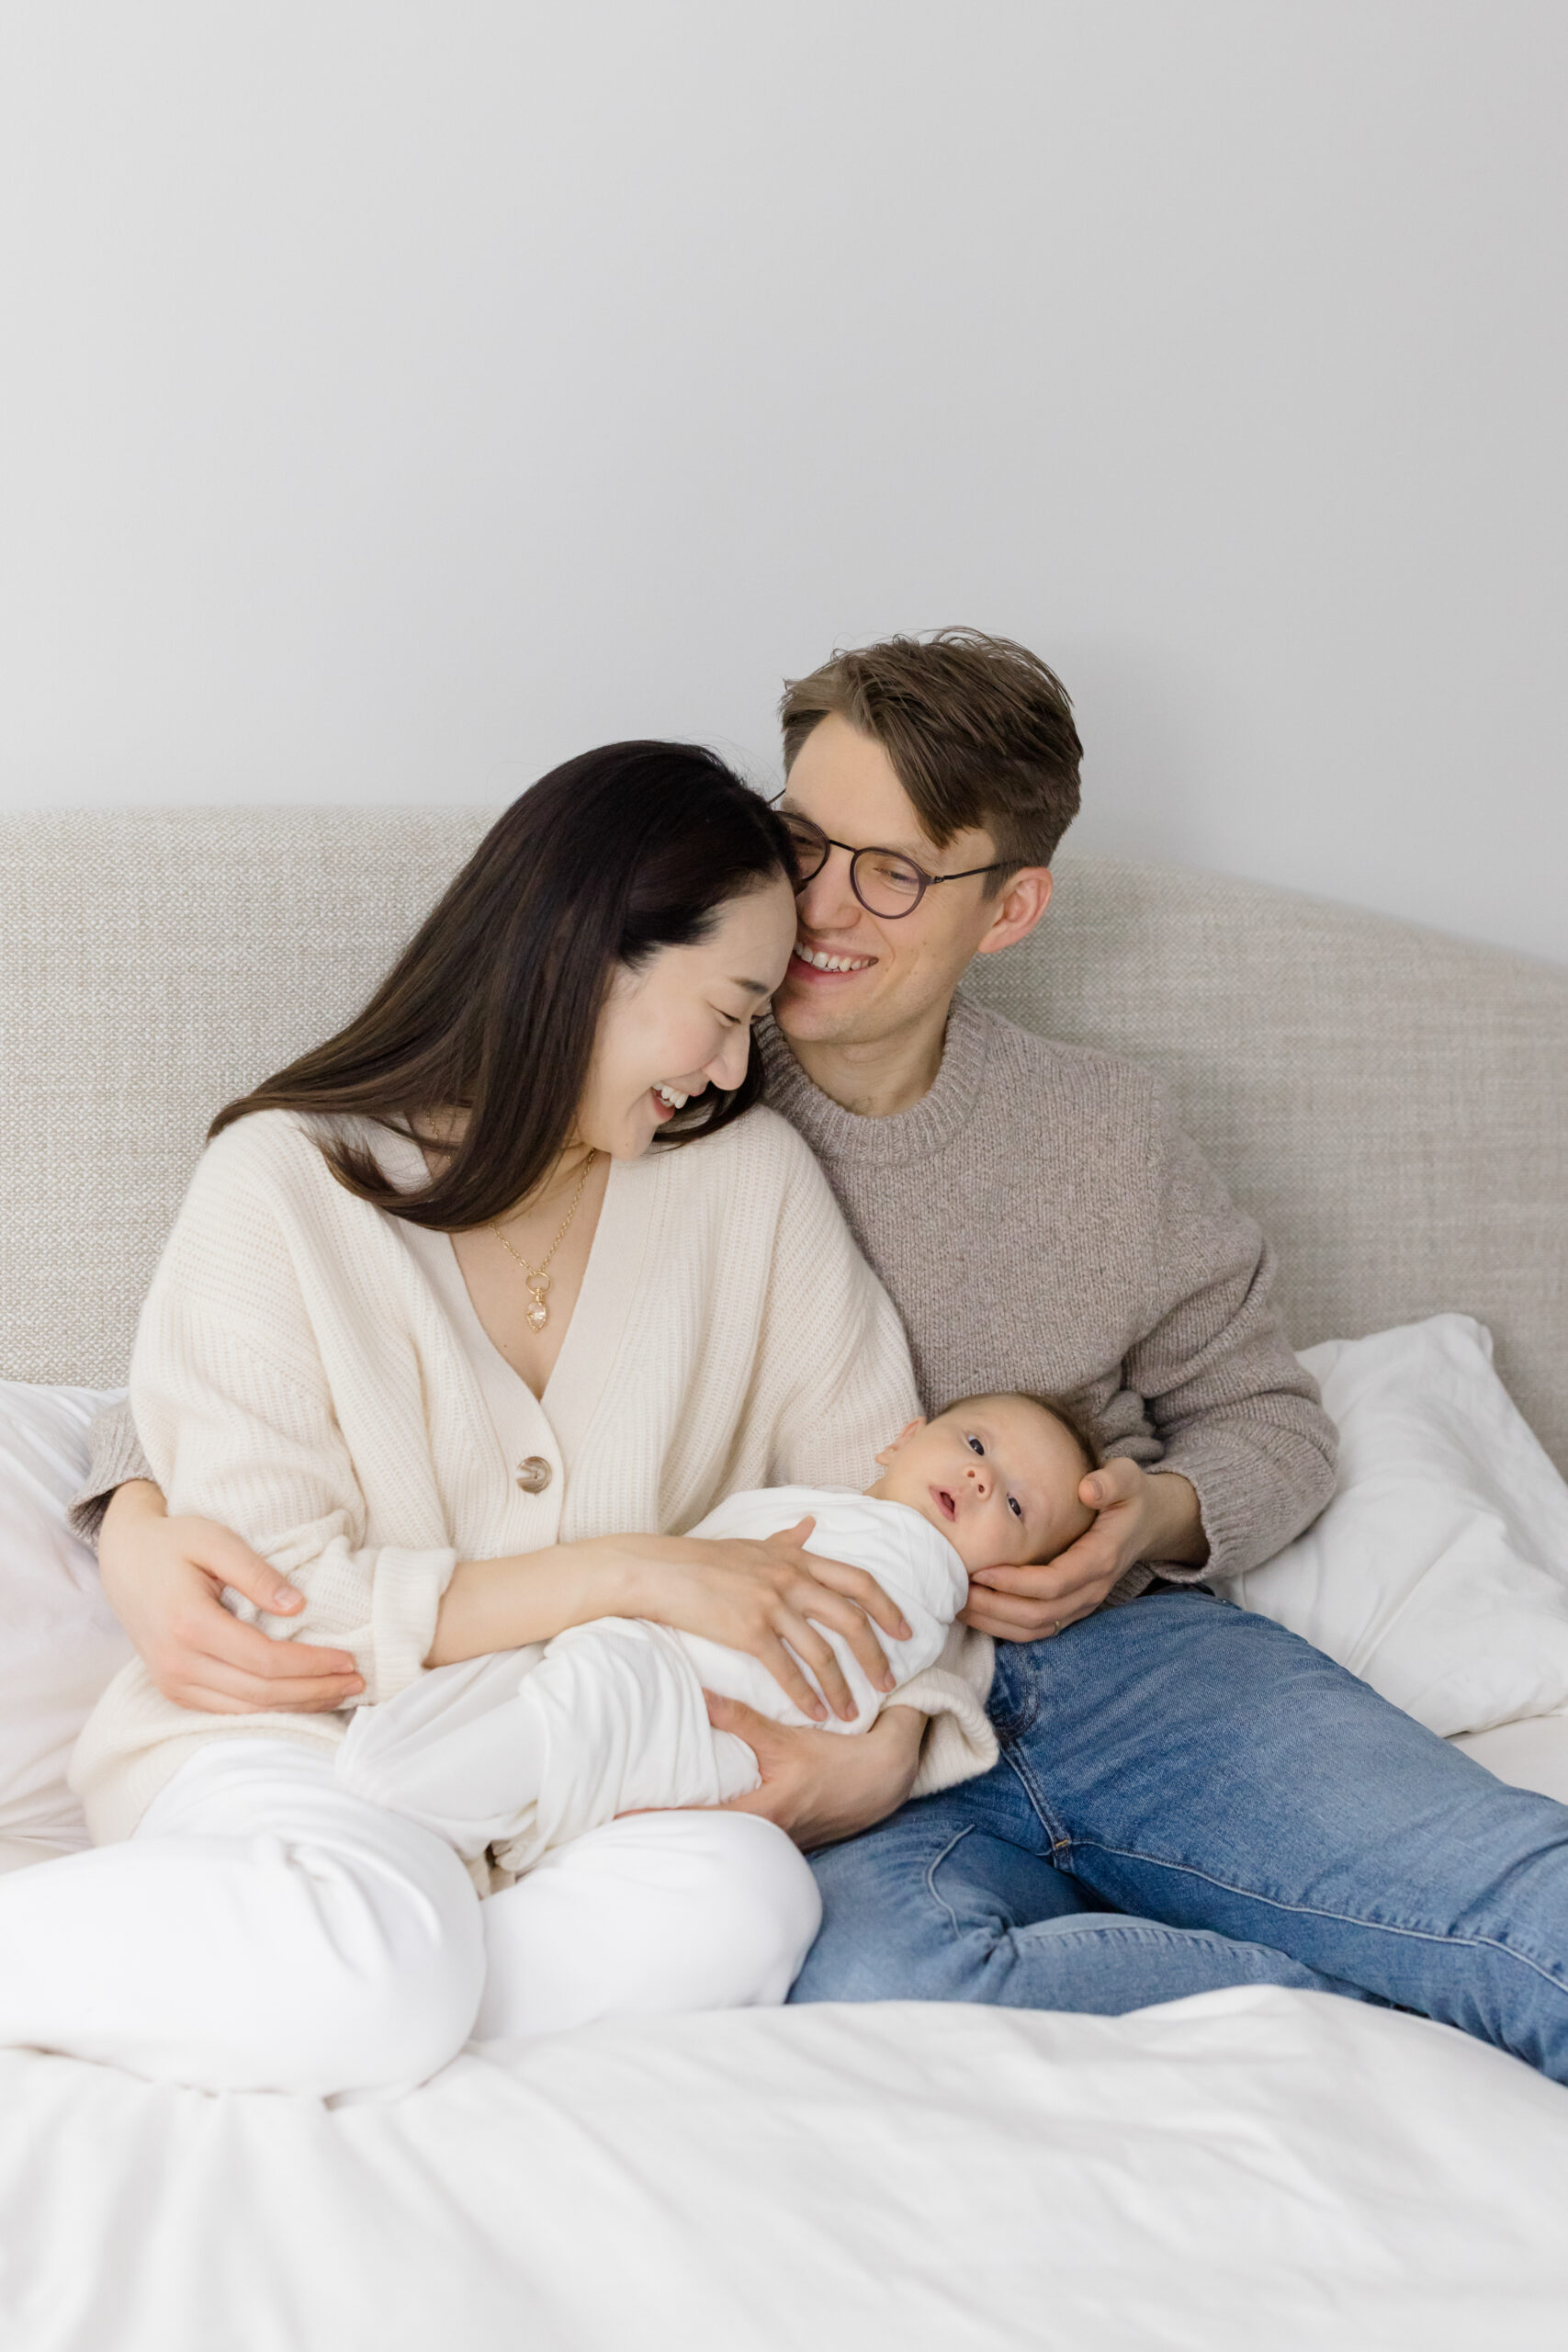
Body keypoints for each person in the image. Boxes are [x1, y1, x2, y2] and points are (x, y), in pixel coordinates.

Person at [75, 633, 1568, 2082]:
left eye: (896, 870)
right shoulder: (663, 1085)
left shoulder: (1057, 1138)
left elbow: (1261, 1419)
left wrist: (1137, 1528)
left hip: (1045, 1665)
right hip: (725, 1694)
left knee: (1494, 1905)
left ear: (1009, 907)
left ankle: (1401, 2012)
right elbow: (249, 1413)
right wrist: (127, 1504)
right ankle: (1336, 2032)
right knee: (861, 1986)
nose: (826, 908)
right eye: (801, 844)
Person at [1, 740, 995, 2096]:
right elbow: (277, 1600)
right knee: (376, 1967)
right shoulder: (282, 1183)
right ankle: (361, 1970)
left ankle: (359, 1985)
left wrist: (882, 1743)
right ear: (587, 958)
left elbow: (877, 1516)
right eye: (722, 1007)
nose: (721, 1069)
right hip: (303, 1747)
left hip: (576, 1779)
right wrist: (633, 1572)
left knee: (744, 1897)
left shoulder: (747, 1188)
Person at [334, 1393, 1096, 1884]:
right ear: (899, 1439)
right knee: (536, 1676)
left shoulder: (923, 1567)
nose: (981, 1480)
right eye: (973, 1444)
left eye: (1018, 1507)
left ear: (1008, 1578)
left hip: (708, 1716)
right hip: (653, 1657)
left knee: (594, 1692)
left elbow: (914, 1639)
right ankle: (417, 1797)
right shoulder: (822, 1503)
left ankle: (401, 1817)